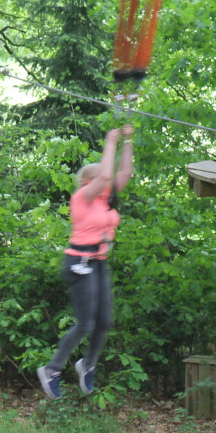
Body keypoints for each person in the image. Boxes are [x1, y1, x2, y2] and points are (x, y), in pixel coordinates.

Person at [37, 124, 135, 399]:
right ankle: (52, 369)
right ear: (87, 183)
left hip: (99, 261)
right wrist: (110, 140)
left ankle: (87, 365)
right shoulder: (82, 197)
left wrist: (128, 140)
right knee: (85, 323)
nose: (108, 182)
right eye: (100, 181)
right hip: (78, 262)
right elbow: (105, 175)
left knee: (104, 321)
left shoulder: (107, 201)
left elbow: (123, 173)